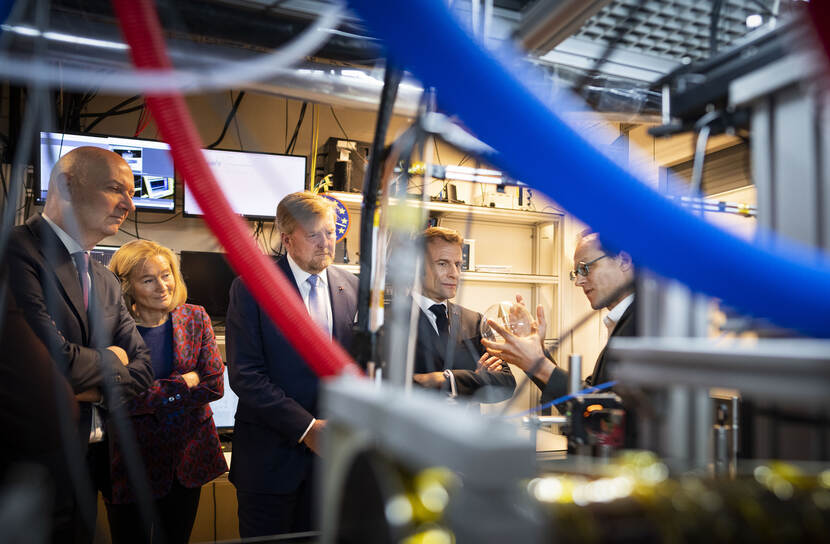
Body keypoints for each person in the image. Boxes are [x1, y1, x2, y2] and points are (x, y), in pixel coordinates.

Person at [6, 146, 153, 542]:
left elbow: (144, 368)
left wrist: (84, 382)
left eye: (132, 192)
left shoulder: (104, 279)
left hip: (90, 468)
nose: (129, 204)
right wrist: (112, 361)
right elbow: (50, 366)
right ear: (66, 185)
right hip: (26, 473)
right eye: (115, 189)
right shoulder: (14, 252)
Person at [226, 191, 358, 537]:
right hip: (269, 462)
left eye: (330, 232)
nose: (326, 242)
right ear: (287, 239)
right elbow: (246, 375)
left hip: (331, 464)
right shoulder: (252, 287)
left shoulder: (353, 287)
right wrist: (308, 428)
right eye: (314, 234)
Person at [106, 240, 228, 543]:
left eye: (167, 274)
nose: (163, 286)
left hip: (187, 461)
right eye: (148, 279)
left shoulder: (195, 317)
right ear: (128, 286)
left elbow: (213, 383)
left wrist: (151, 393)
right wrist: (182, 383)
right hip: (130, 463)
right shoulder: (110, 329)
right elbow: (115, 398)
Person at [482, 230, 635, 403]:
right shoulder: (621, 322)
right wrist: (537, 355)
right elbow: (588, 397)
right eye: (576, 272)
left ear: (624, 261)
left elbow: (610, 412)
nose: (578, 282)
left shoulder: (646, 323)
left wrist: (538, 364)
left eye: (585, 268)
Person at [411, 226, 515, 401]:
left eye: (458, 264)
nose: (455, 274)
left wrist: (446, 379)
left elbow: (506, 383)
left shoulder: (475, 321)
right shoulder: (388, 322)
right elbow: (389, 387)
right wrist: (476, 379)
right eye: (443, 264)